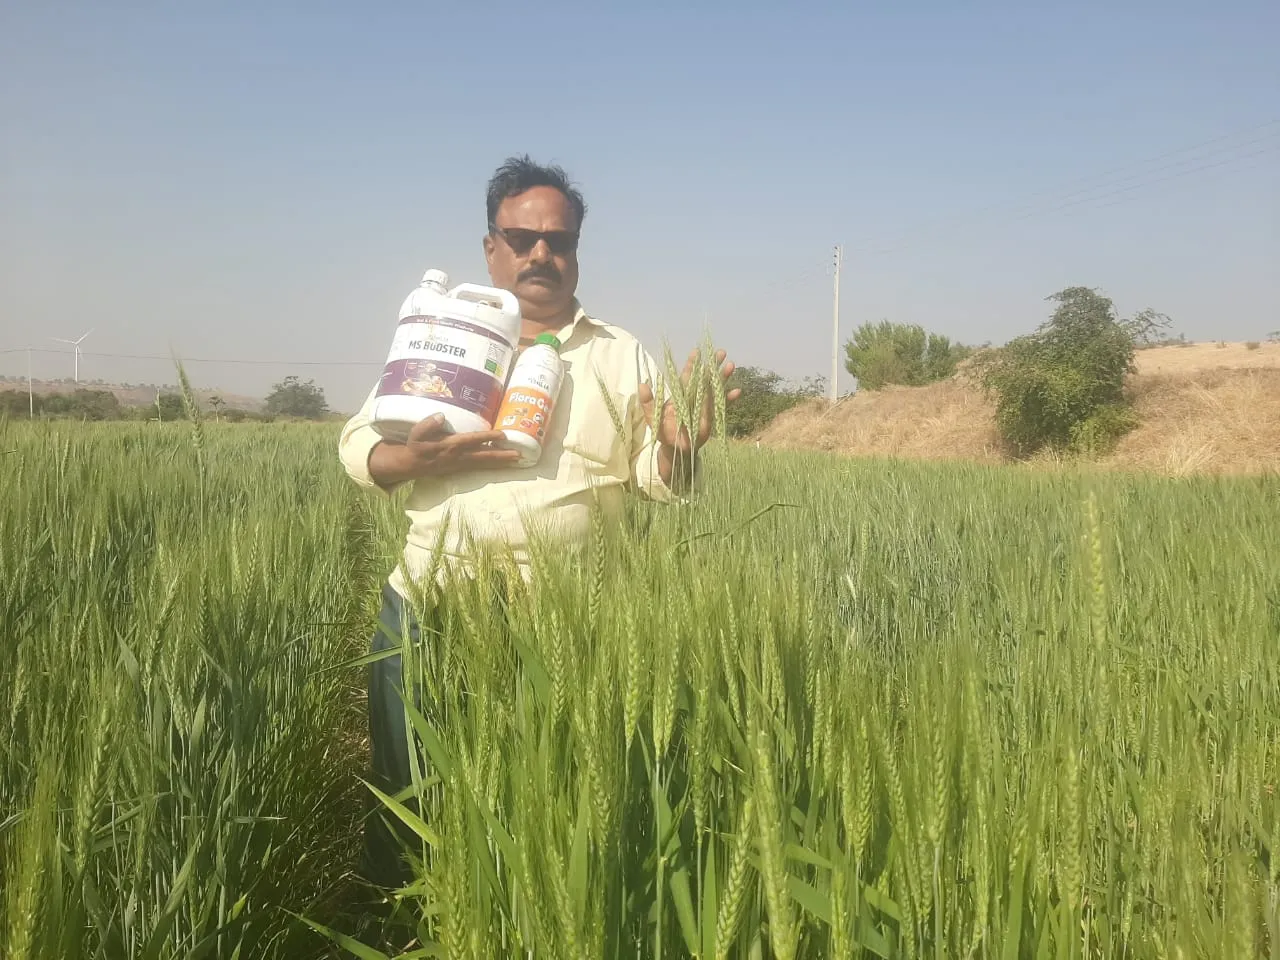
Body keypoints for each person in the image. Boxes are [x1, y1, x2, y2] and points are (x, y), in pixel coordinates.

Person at [338, 156, 740, 888]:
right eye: (522, 237)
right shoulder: (438, 336)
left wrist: (679, 450)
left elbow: (656, 478)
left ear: (578, 253)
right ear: (490, 247)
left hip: (565, 623)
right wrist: (413, 460)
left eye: (559, 240)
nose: (541, 253)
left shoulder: (621, 356)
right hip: (430, 606)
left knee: (540, 810)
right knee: (408, 804)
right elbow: (359, 445)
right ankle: (404, 921)